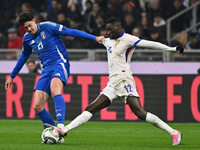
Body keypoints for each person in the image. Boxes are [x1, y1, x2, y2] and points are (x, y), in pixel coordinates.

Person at [51, 17, 184, 145]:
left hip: (124, 81)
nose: (108, 33)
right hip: (112, 84)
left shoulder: (129, 39)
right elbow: (96, 38)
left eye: (110, 29)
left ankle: (173, 132)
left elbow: (150, 44)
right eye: (106, 30)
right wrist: (96, 38)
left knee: (140, 112)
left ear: (118, 27)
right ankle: (64, 130)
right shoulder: (107, 40)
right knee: (91, 108)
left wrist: (171, 49)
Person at [5, 12, 104, 142]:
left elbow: (70, 32)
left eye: (30, 25)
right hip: (46, 69)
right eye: (26, 28)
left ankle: (61, 128)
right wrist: (12, 76)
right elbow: (24, 57)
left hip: (59, 63)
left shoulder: (48, 26)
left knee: (54, 89)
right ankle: (55, 135)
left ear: (34, 20)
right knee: (37, 106)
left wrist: (94, 38)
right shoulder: (27, 38)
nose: (29, 29)